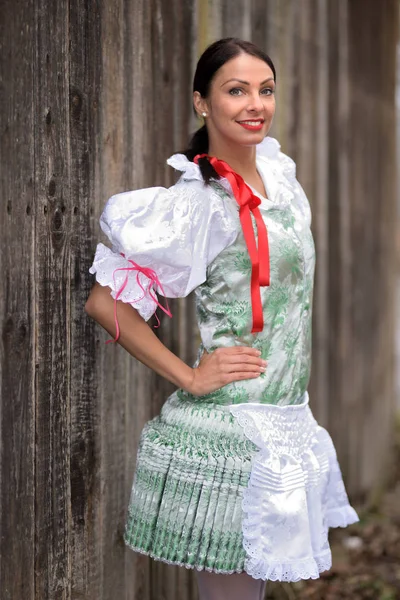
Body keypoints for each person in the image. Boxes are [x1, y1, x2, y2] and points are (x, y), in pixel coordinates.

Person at [85, 37, 358, 600]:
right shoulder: (199, 203)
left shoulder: (281, 179)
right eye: (236, 91)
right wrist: (189, 376)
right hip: (233, 433)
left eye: (266, 90)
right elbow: (104, 302)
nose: (255, 103)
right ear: (202, 103)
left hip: (286, 418)